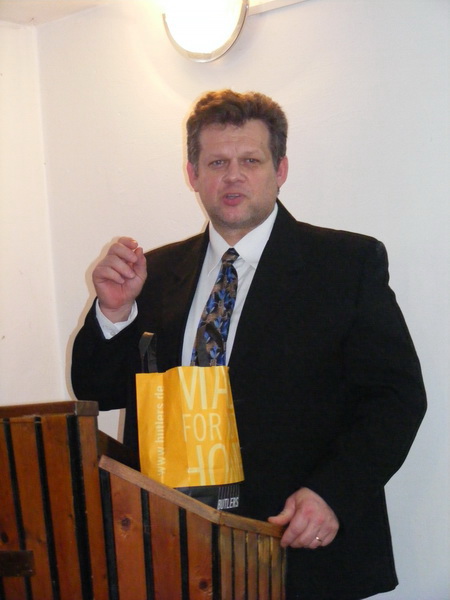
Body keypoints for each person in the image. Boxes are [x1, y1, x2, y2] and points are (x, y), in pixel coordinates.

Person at [71, 89, 427, 599]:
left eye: (250, 161)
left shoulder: (346, 265)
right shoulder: (154, 272)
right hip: (173, 548)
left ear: (280, 169)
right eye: (217, 162)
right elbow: (97, 390)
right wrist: (113, 312)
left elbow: (397, 399)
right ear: (192, 174)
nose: (233, 176)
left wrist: (333, 494)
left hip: (296, 546)